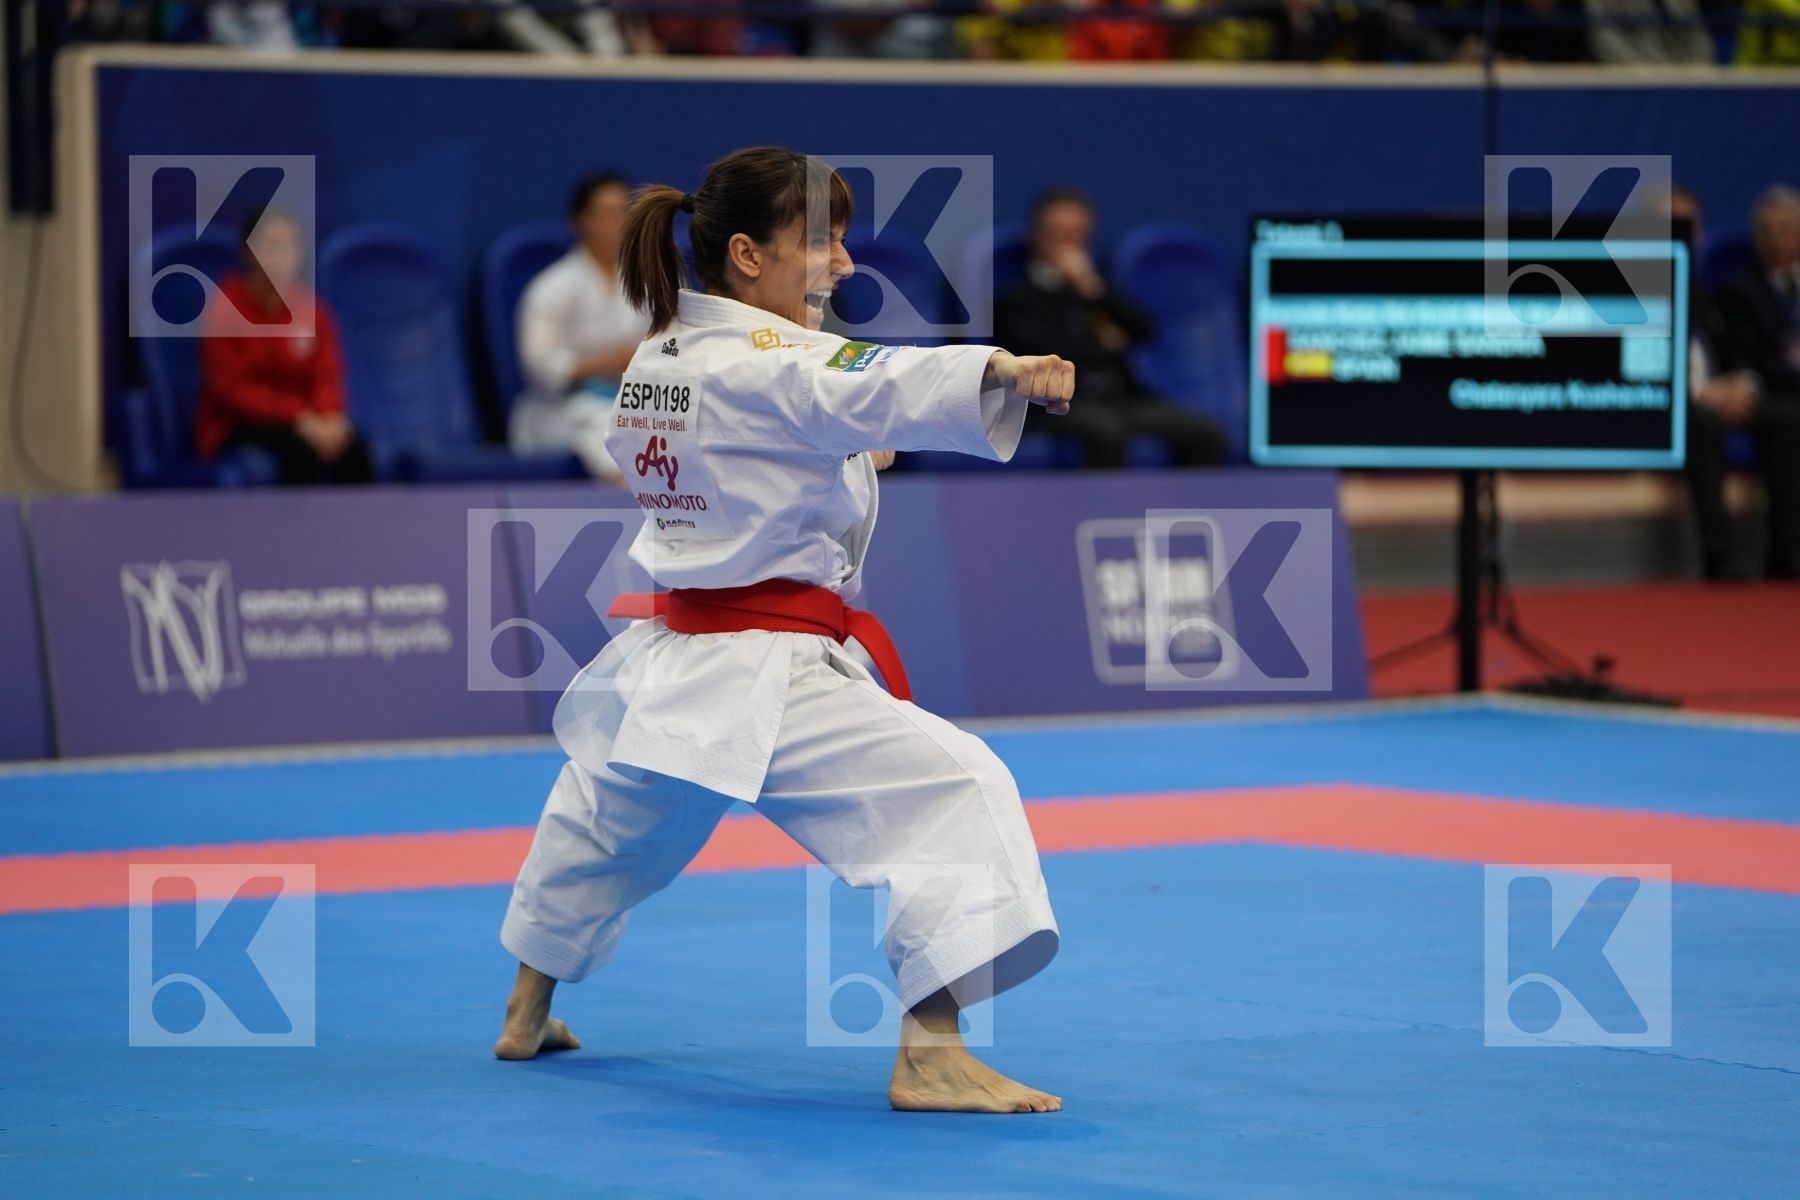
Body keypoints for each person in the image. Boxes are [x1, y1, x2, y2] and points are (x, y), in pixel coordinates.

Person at [494, 147, 1074, 1114]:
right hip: (768, 664)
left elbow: (788, 427)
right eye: (822, 240)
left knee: (603, 823)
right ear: (747, 255)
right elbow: (863, 381)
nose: (844, 262)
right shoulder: (776, 362)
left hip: (670, 660)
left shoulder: (662, 355)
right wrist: (1002, 369)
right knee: (961, 787)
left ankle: (526, 1007)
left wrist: (838, 446)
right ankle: (931, 1052)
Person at [995, 187, 1226, 469]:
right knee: (1105, 430)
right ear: (1037, 237)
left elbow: (1144, 331)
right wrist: (1104, 345)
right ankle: (1106, 512)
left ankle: (1189, 510)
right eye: (1059, 235)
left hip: (1121, 399)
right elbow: (1044, 352)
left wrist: (1093, 292)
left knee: (1205, 433)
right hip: (1058, 406)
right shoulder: (1015, 298)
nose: (1068, 246)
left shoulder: (1097, 291)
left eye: (1077, 236)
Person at [195, 207, 375, 485]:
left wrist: (329, 418)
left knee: (354, 448)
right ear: (248, 252)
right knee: (299, 452)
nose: (282, 257)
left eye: (291, 245)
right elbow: (231, 389)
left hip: (306, 421)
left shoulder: (311, 310)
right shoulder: (225, 308)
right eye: (271, 246)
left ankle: (359, 528)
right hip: (239, 423)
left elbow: (327, 374)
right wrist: (298, 417)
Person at [511, 171, 651, 481]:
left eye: (624, 212)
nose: (618, 224)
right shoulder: (552, 286)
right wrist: (604, 364)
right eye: (606, 215)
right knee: (601, 425)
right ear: (578, 221)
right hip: (564, 409)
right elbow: (539, 367)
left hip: (639, 401)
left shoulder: (654, 282)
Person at [1706, 184, 1800, 578]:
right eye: (1767, 229)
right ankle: (1786, 555)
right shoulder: (1740, 290)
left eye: (1785, 228)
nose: (1776, 238)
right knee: (1788, 420)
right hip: (1766, 393)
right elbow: (1751, 359)